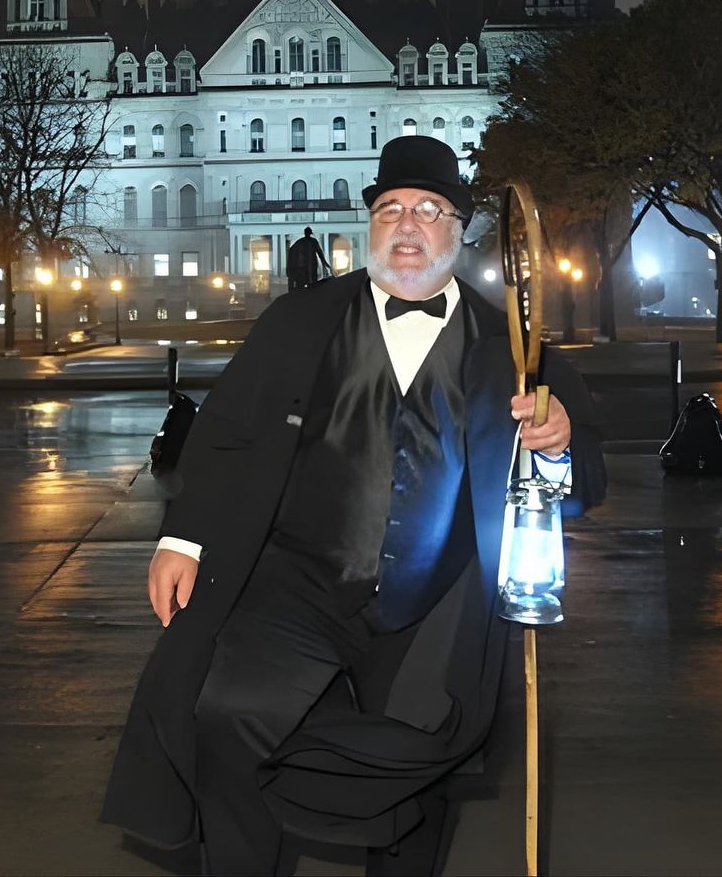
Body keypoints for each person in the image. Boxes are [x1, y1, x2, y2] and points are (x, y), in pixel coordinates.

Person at [102, 136, 604, 876]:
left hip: (434, 600)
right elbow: (226, 433)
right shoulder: (298, 321)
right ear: (369, 225)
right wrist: (185, 538)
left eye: (429, 211)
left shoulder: (514, 345)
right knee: (227, 711)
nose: (408, 226)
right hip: (299, 583)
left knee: (419, 760)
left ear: (457, 233)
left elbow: (585, 479)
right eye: (390, 209)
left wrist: (558, 446)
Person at [286, 227, 332, 292]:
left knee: (309, 284)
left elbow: (320, 253)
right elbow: (320, 254)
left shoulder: (303, 242)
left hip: (308, 267)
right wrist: (325, 264)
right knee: (306, 284)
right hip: (304, 268)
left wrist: (325, 264)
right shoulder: (307, 242)